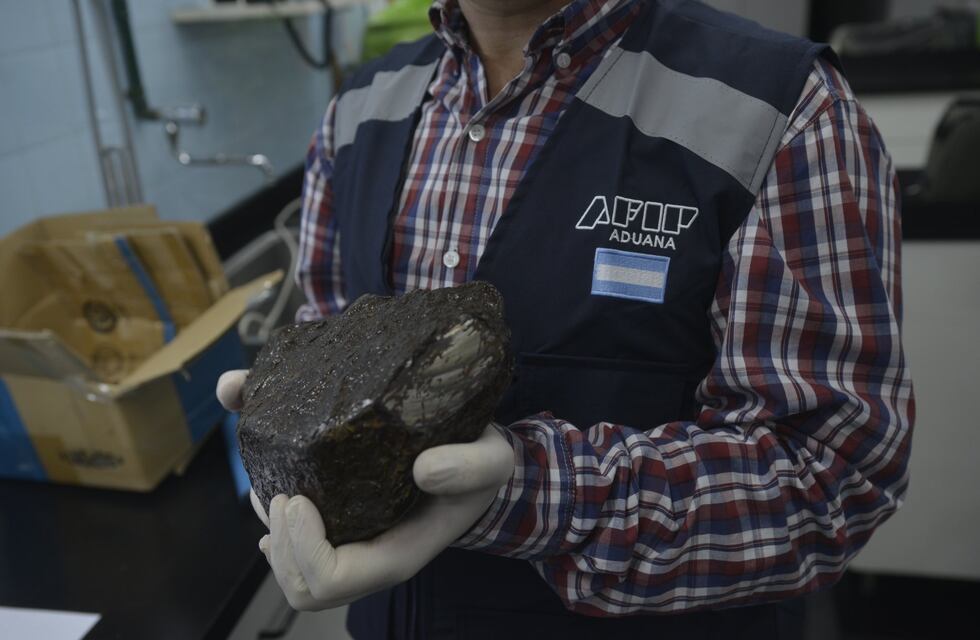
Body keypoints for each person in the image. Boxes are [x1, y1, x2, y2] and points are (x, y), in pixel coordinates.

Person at [217, 0, 915, 637]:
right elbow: (320, 354)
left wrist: (527, 491)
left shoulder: (781, 109)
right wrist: (291, 474)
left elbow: (831, 479)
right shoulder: (357, 112)